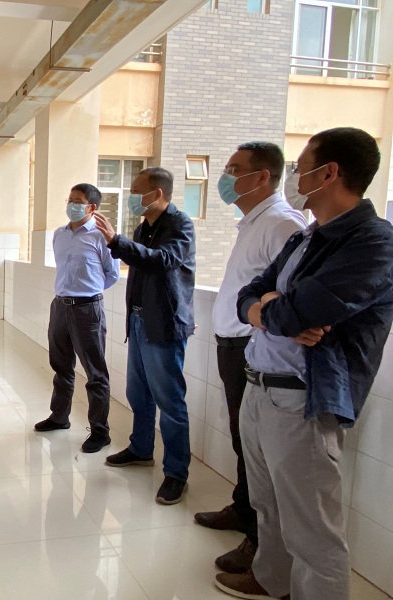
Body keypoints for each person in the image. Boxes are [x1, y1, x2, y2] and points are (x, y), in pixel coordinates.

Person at [216, 128, 393, 600]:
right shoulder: (307, 236)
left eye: (300, 166)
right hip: (259, 387)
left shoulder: (373, 242)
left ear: (329, 173)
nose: (294, 176)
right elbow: (248, 295)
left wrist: (273, 309)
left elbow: (298, 313)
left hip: (302, 400)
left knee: (313, 529)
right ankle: (272, 580)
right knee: (268, 506)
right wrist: (266, 308)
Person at [194, 143, 307, 574]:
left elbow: (290, 296)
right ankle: (243, 511)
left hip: (252, 349)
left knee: (257, 448)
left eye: (233, 169)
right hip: (234, 345)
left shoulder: (282, 223)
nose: (225, 177)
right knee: (242, 439)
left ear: (261, 177)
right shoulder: (254, 223)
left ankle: (260, 541)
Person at [94, 167, 196, 505]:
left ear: (157, 193)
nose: (132, 196)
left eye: (137, 190)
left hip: (163, 324)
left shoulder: (180, 225)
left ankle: (176, 473)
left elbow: (163, 260)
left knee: (170, 400)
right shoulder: (143, 228)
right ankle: (141, 448)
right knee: (138, 393)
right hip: (138, 321)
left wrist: (117, 242)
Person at [33, 183, 119, 453]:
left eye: (78, 201)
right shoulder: (59, 234)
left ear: (92, 207)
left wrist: (88, 293)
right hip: (60, 306)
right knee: (61, 366)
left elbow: (112, 274)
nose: (72, 205)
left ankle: (100, 432)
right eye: (70, 200)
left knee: (95, 373)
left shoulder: (101, 236)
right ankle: (59, 417)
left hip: (87, 310)